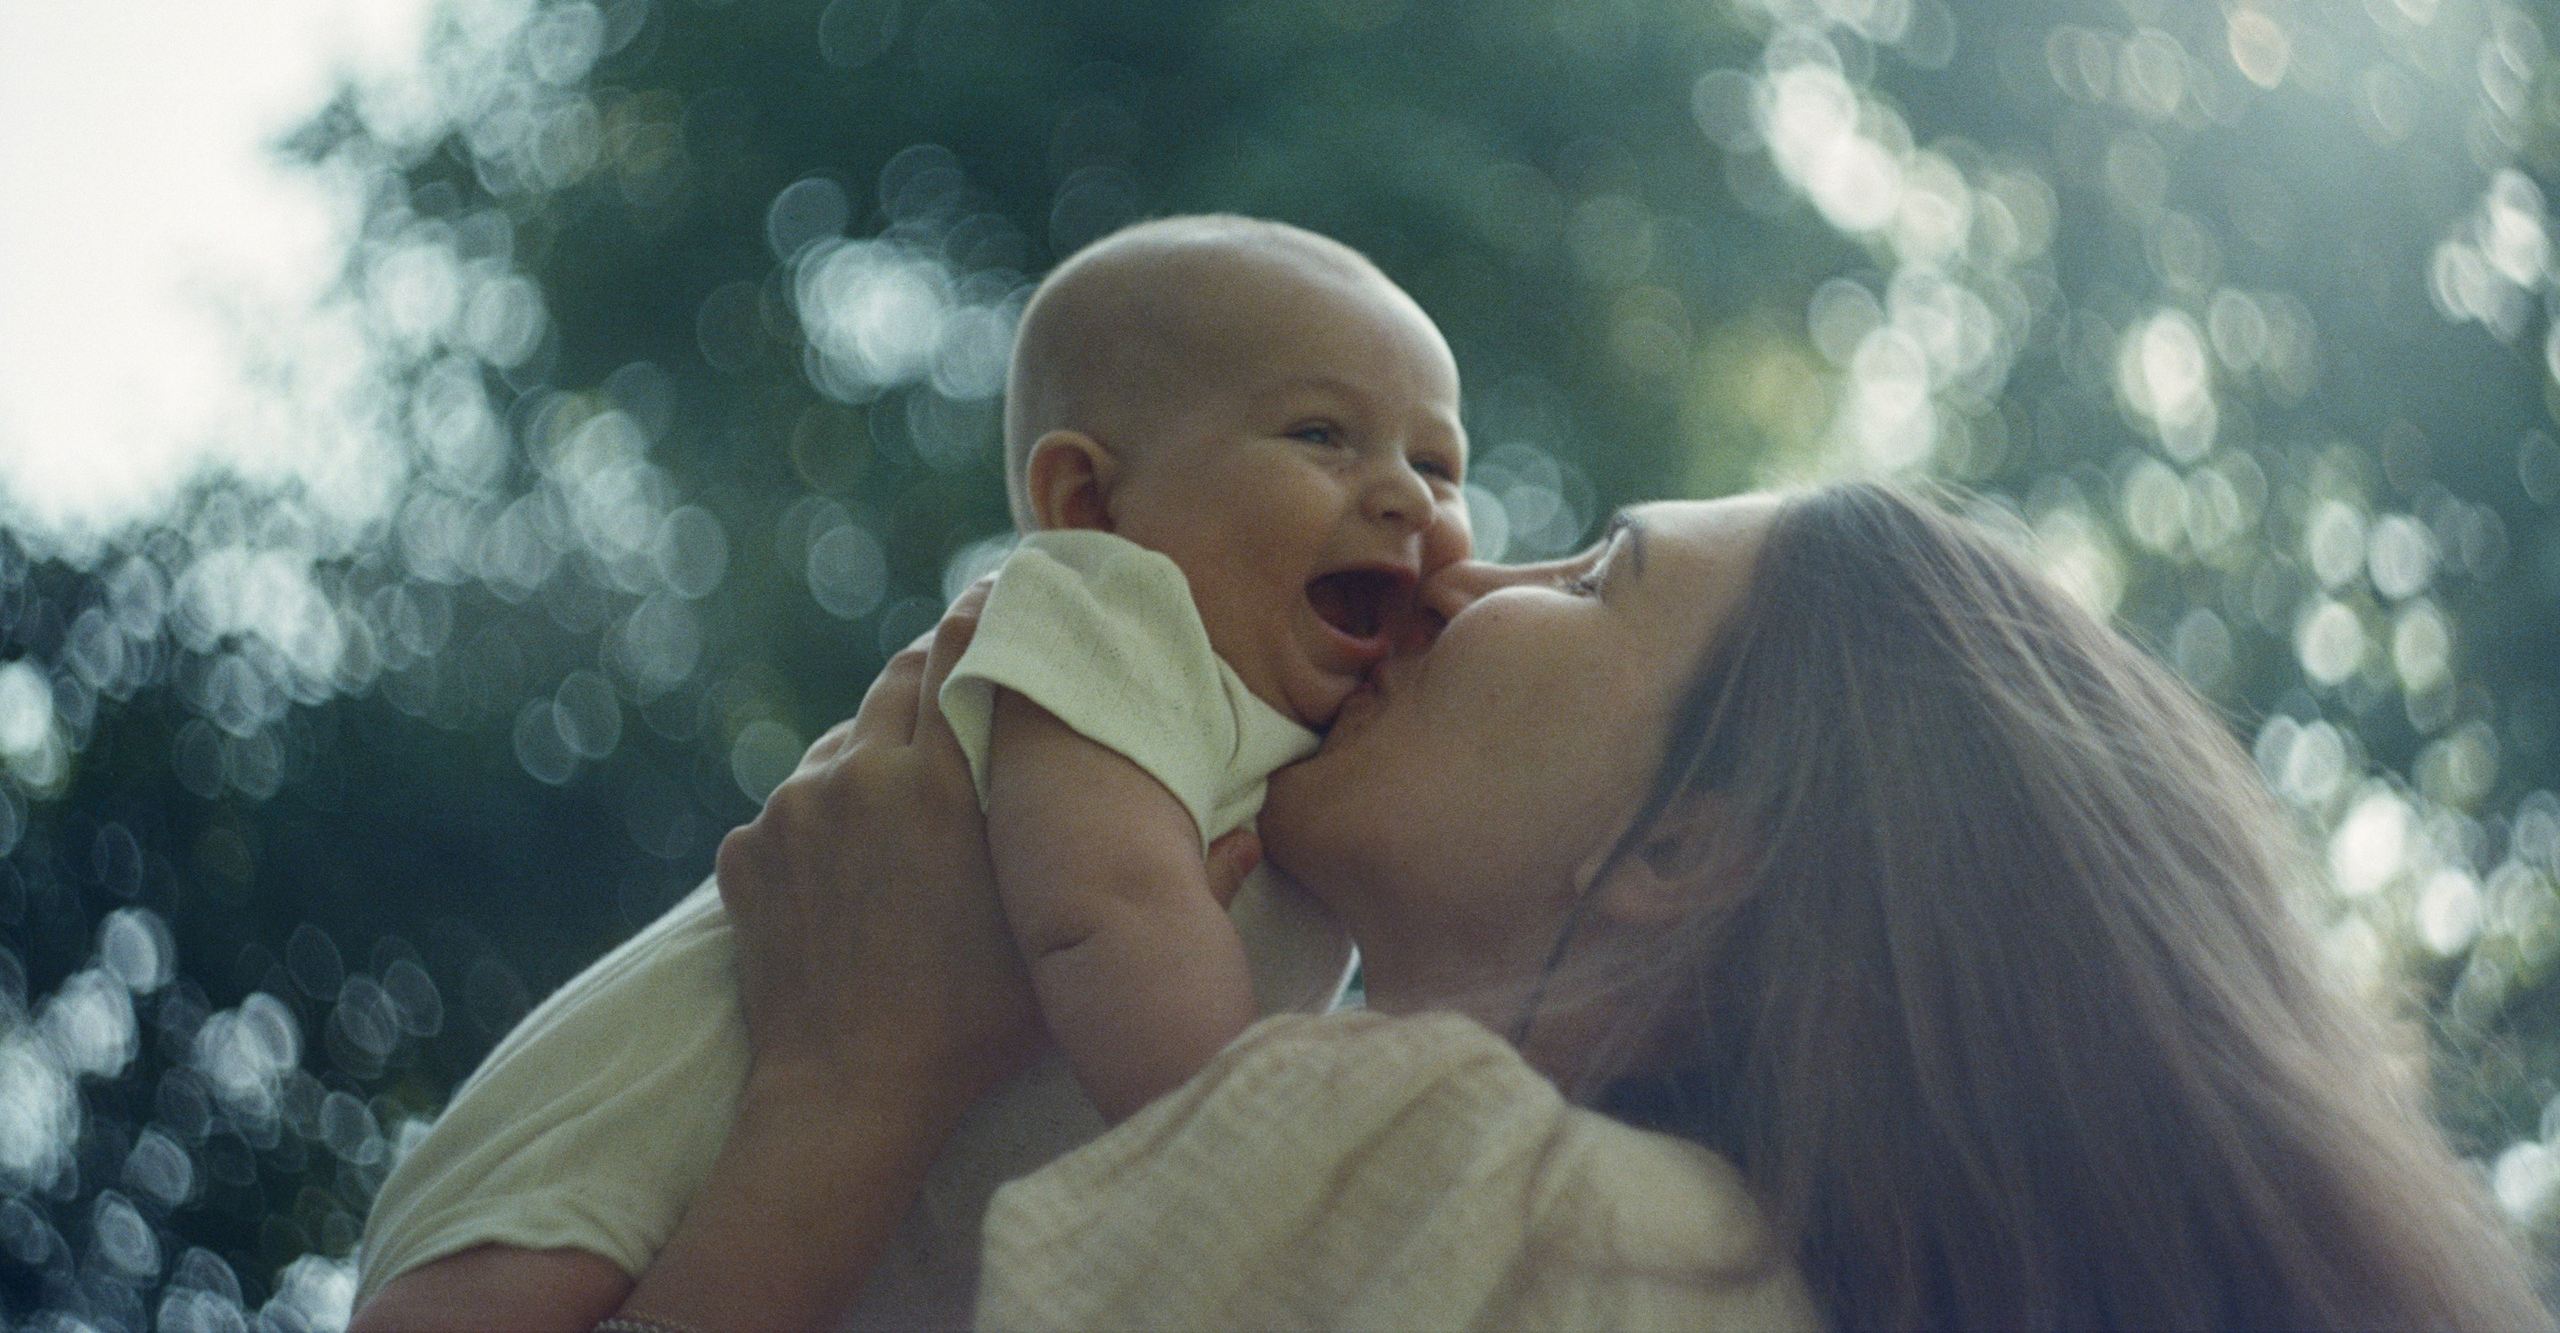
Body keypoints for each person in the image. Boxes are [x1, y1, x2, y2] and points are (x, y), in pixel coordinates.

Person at [360, 483, 2552, 1332]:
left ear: (1704, 839)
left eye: (1592, 570)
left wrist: (846, 1073)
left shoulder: (1486, 1219)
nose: (1461, 568)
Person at [352, 216, 1470, 1324]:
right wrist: (1281, 1166)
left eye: (1436, 461)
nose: (1408, 496)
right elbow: (1109, 909)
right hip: (586, 1149)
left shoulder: (1303, 750)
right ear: (1089, 505)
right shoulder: (1110, 614)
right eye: (1322, 434)